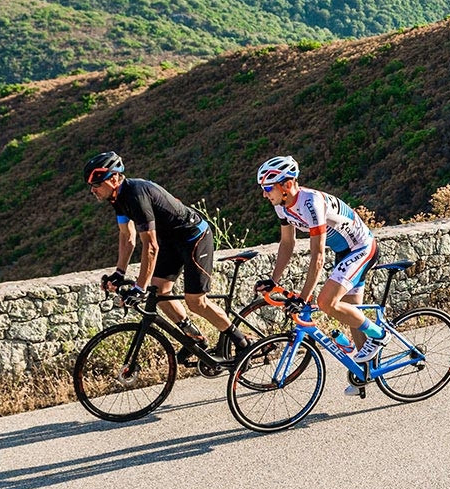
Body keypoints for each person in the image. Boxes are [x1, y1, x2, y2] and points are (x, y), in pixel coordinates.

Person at [83, 151, 246, 358]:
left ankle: (242, 341)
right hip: (171, 240)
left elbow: (150, 246)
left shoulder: (135, 195)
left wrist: (139, 287)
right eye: (91, 186)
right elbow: (127, 237)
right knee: (159, 292)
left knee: (195, 301)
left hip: (194, 237)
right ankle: (195, 338)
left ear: (114, 178)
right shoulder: (118, 198)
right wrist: (119, 272)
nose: (93, 190)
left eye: (96, 184)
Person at [255, 156, 384, 377]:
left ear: (287, 185)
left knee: (326, 302)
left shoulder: (310, 203)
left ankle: (379, 335)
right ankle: (367, 373)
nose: (264, 194)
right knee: (351, 314)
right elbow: (287, 243)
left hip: (361, 248)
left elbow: (317, 255)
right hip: (344, 252)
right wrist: (274, 280)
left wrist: (304, 297)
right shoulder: (282, 206)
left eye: (268, 188)